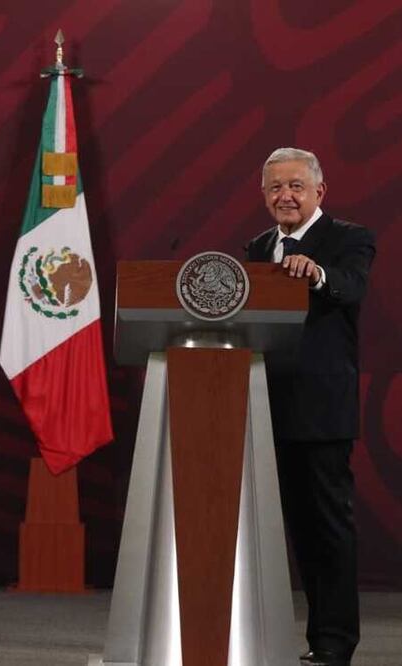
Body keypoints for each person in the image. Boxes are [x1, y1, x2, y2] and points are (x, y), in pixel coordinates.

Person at [246, 147, 376, 666]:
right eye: (276, 187)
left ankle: (335, 642)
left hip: (323, 411)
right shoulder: (258, 248)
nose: (286, 196)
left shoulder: (349, 239)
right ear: (264, 195)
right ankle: (310, 639)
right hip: (268, 406)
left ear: (319, 191)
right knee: (297, 530)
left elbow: (351, 288)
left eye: (296, 186)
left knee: (329, 529)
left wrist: (317, 272)